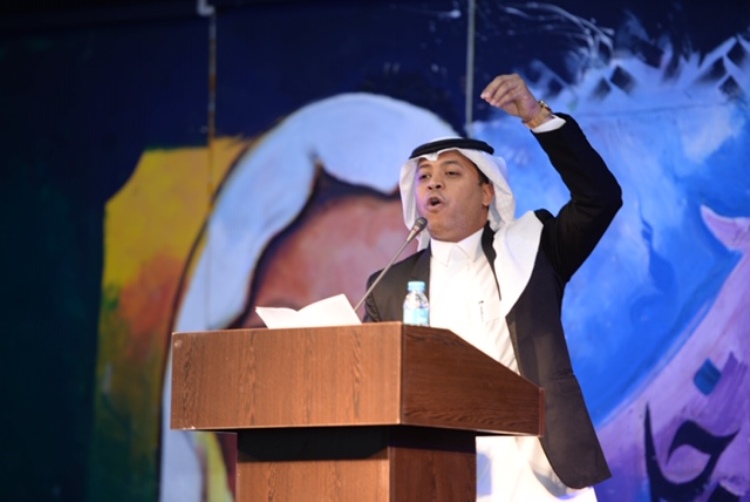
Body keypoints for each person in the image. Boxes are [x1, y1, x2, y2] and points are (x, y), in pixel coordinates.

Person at [363, 73, 622, 501]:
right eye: (424, 177)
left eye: (451, 172)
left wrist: (537, 118)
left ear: (488, 193)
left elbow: (600, 197)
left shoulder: (534, 248)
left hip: (541, 476)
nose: (434, 183)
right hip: (439, 476)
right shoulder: (388, 287)